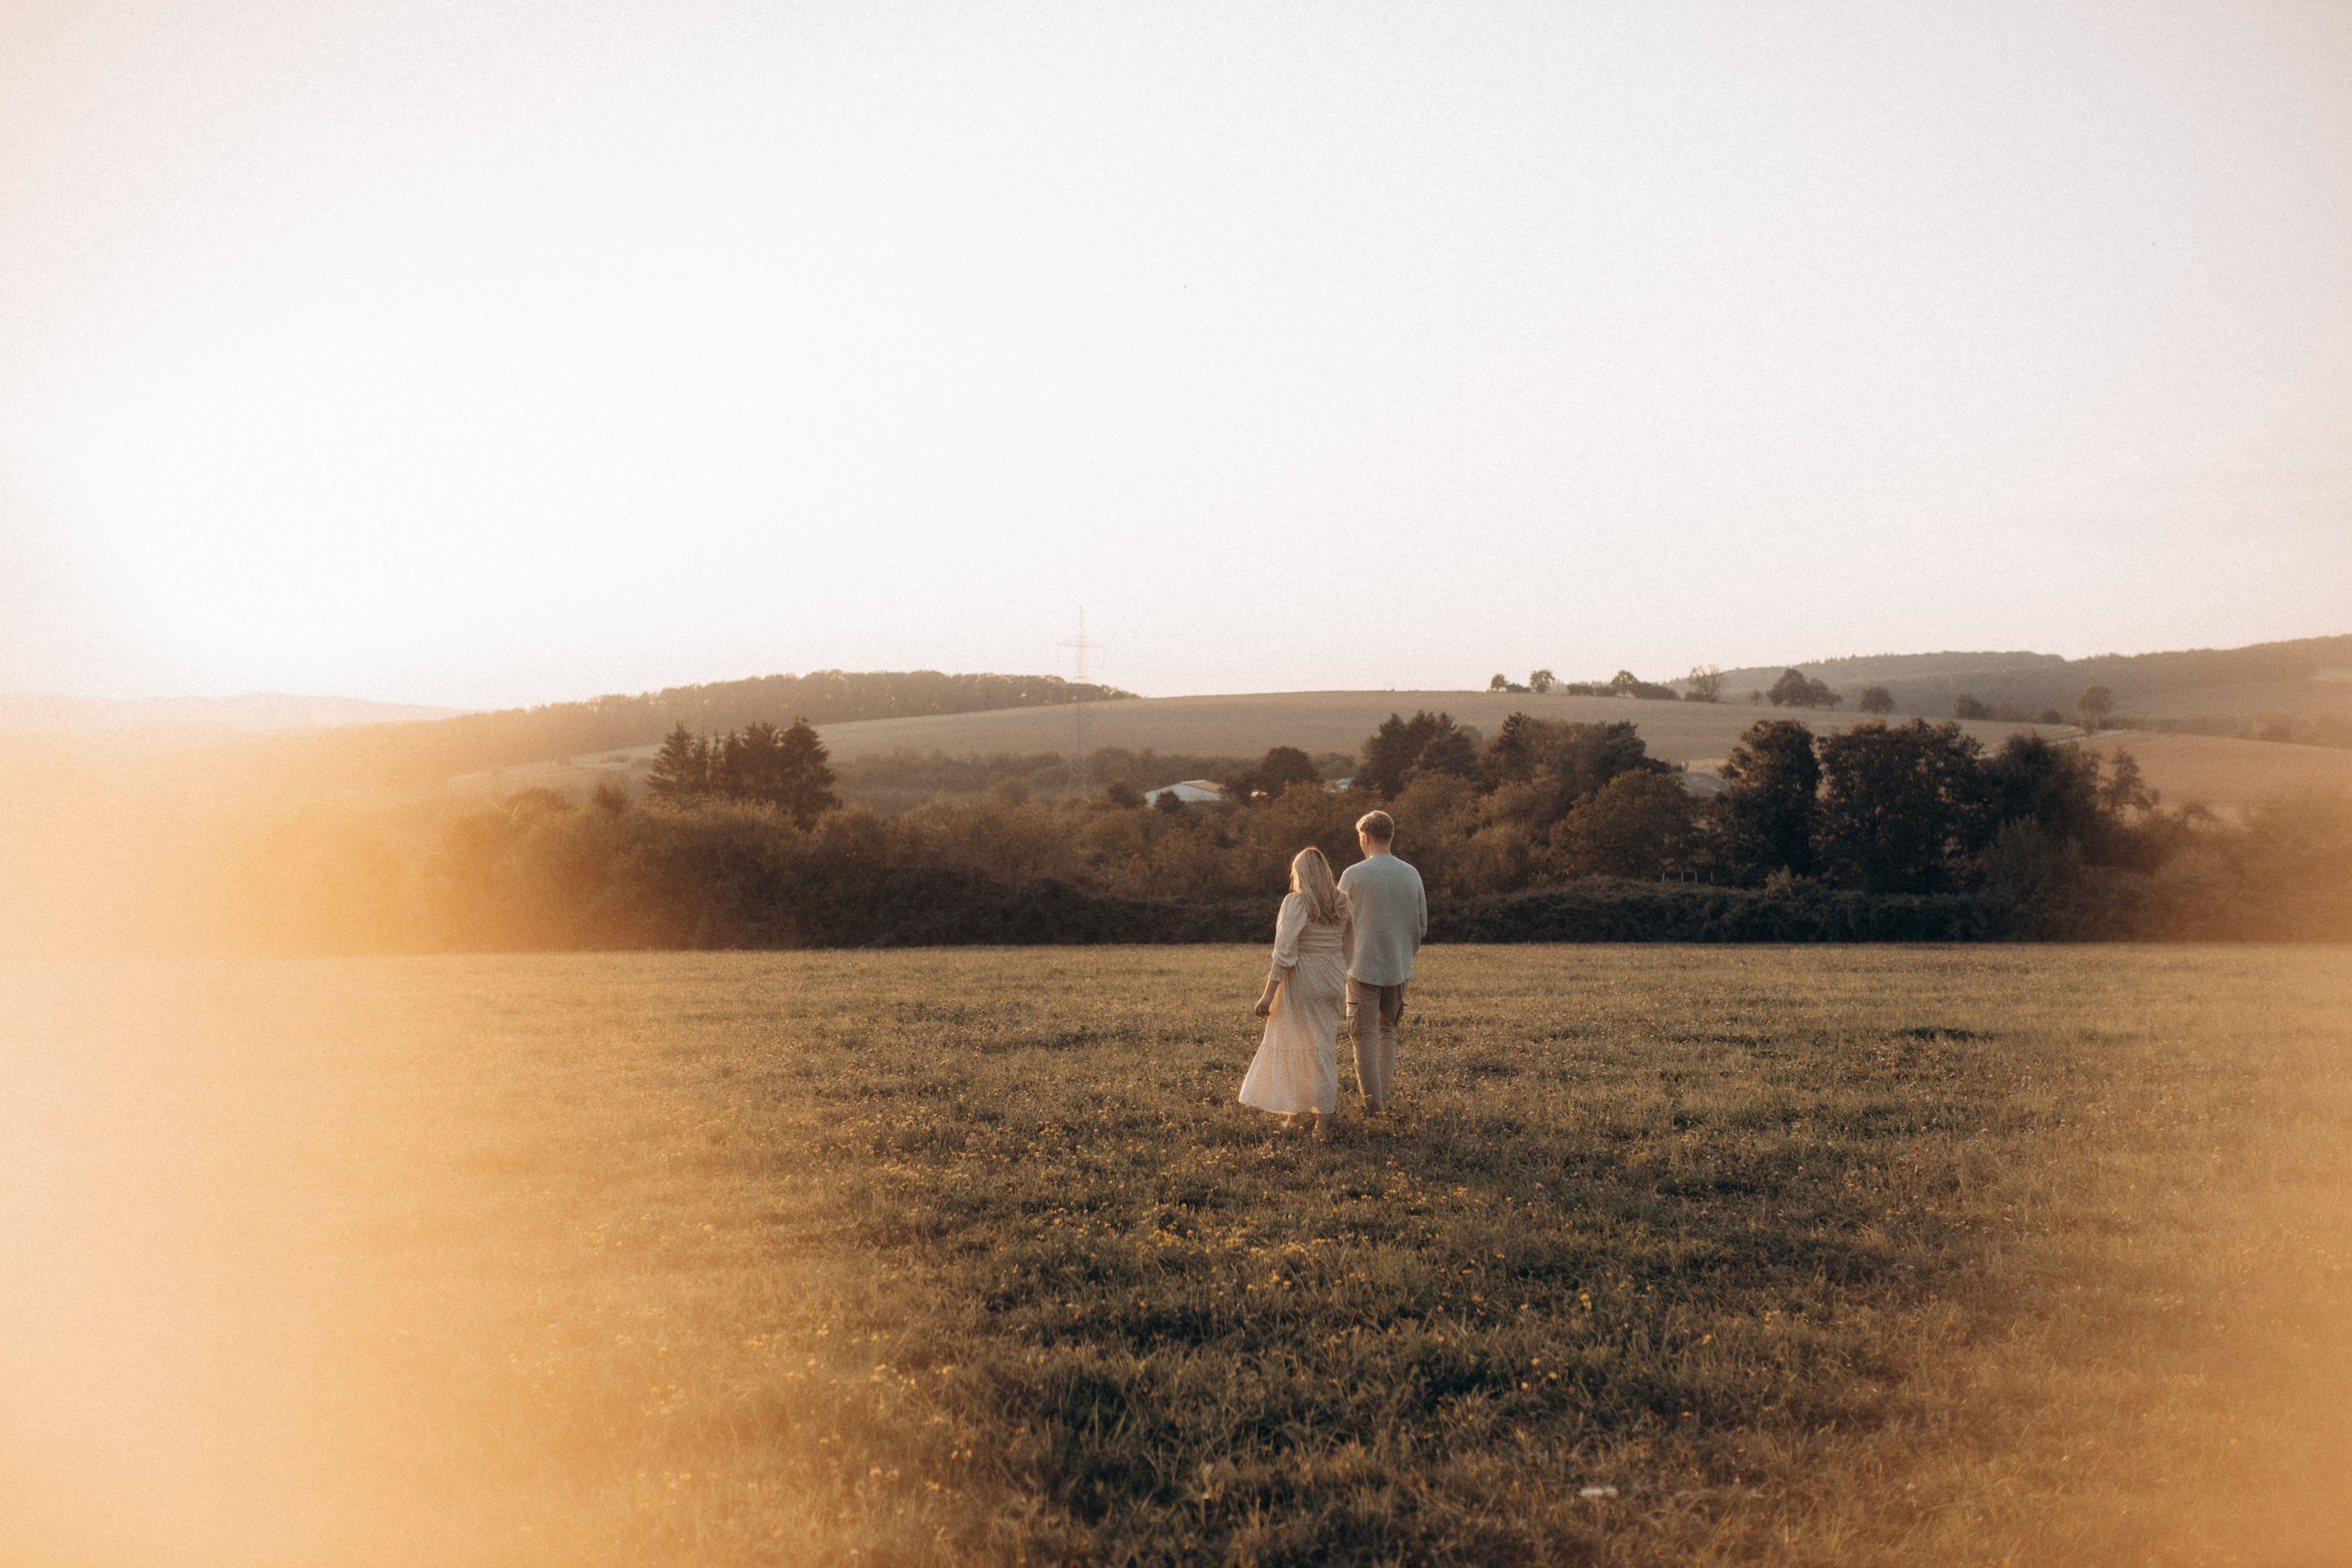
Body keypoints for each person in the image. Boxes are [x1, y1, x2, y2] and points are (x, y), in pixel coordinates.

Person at [1238, 847, 1351, 1137]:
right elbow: (1350, 946)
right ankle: (1321, 1124)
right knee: (1322, 1048)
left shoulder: (1296, 903)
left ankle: (1295, 1116)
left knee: (1295, 1044)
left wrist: (1268, 993)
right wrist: (1340, 975)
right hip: (1334, 978)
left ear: (1300, 874)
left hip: (1304, 978)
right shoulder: (1343, 903)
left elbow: (1285, 952)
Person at [1336, 809, 1425, 1114]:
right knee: (1387, 1031)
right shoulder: (1411, 873)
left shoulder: (1353, 874)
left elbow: (1338, 921)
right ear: (1391, 836)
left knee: (1363, 1038)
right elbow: (1421, 923)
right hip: (1399, 966)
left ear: (1366, 837)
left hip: (1361, 966)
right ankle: (1381, 1100)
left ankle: (1373, 1106)